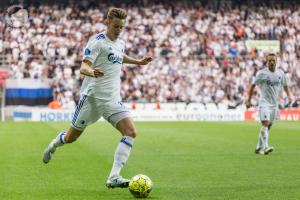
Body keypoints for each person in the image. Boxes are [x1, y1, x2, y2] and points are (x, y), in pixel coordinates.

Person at [42, 7, 152, 188]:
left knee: (130, 132)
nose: (118, 31)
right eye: (116, 26)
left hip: (112, 100)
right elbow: (83, 67)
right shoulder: (96, 42)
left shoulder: (120, 42)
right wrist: (92, 72)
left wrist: (138, 61)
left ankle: (114, 177)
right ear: (107, 22)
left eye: (121, 27)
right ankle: (53, 145)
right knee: (70, 138)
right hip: (92, 99)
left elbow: (119, 56)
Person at [246, 53, 291, 155]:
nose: (271, 62)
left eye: (273, 60)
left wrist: (289, 96)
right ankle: (265, 147)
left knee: (268, 125)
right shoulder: (261, 73)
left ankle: (258, 146)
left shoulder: (280, 73)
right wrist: (248, 100)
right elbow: (253, 86)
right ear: (266, 62)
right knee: (265, 123)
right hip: (264, 102)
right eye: (269, 60)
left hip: (275, 103)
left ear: (276, 61)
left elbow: (285, 85)